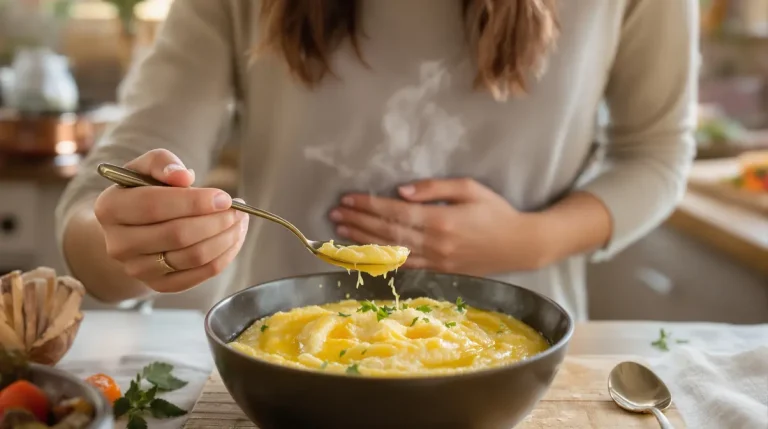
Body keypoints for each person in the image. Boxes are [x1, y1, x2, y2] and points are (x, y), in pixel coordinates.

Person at [55, 0, 698, 321]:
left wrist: (533, 240)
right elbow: (96, 211)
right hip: (276, 367)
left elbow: (657, 152)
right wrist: (133, 245)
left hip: (521, 362)